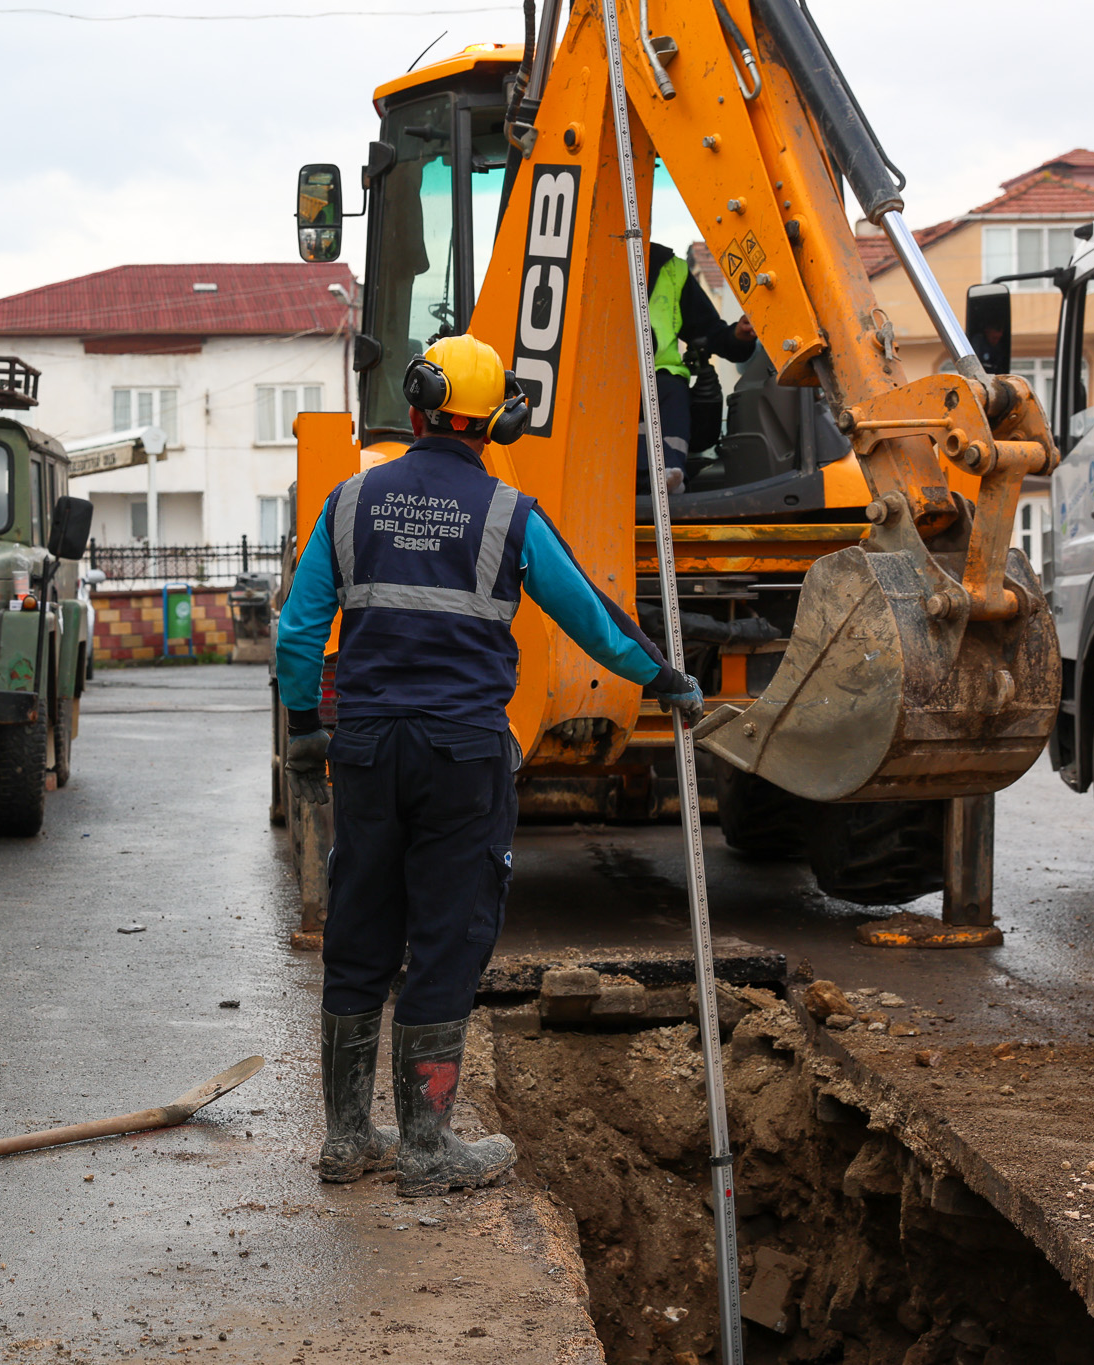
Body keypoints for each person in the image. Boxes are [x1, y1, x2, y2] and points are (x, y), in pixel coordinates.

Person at [274, 335, 702, 1196]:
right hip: (462, 755)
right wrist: (665, 678)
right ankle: (428, 1149)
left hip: (367, 747)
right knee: (447, 934)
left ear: (418, 406)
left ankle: (347, 1140)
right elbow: (591, 619)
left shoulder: (348, 501)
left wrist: (305, 727)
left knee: (359, 929)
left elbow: (297, 631)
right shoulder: (509, 513)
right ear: (498, 421)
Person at [640, 242, 757, 496]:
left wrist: (737, 337)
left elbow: (708, 331)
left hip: (659, 375)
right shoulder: (582, 258)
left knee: (672, 391)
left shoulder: (672, 269)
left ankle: (669, 474)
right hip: (601, 375)